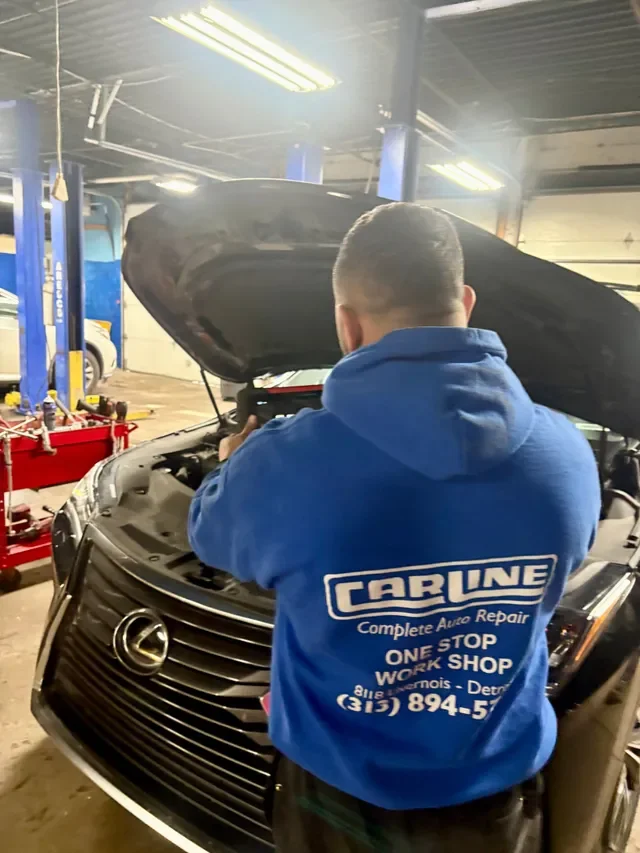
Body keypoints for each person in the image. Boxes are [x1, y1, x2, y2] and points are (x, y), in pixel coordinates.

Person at [188, 203, 601, 852]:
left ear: (346, 326)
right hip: (493, 799)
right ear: (465, 301)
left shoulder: (281, 464)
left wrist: (231, 465)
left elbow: (210, 537)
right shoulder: (568, 458)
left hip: (338, 799)